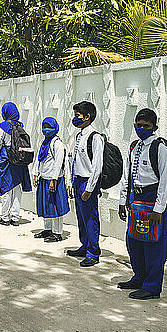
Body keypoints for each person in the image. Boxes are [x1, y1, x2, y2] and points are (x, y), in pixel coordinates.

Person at [117, 108, 167, 300]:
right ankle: (139, 277)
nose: (141, 128)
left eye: (146, 126)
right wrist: (123, 200)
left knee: (153, 244)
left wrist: (159, 209)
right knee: (134, 241)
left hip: (152, 198)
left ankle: (152, 286)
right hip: (135, 198)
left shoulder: (160, 148)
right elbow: (127, 175)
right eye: (138, 125)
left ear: (154, 127)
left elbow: (165, 180)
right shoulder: (134, 147)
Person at [67, 101, 104, 267]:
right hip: (77, 180)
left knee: (90, 217)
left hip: (88, 181)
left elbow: (97, 166)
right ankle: (85, 244)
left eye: (78, 116)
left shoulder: (95, 137)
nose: (75, 119)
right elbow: (74, 160)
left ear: (88, 117)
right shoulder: (79, 136)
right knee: (81, 217)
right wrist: (70, 182)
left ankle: (93, 252)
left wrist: (89, 188)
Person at [0, 102, 32, 226]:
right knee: (17, 189)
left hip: (7, 160)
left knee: (6, 189)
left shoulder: (3, 127)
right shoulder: (20, 126)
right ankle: (15, 217)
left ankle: (4, 217)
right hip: (19, 160)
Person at [33, 117, 69, 242]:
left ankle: (57, 232)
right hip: (44, 178)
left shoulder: (57, 144)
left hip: (54, 180)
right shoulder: (44, 143)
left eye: (49, 126)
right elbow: (39, 160)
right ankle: (47, 229)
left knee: (56, 206)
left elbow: (59, 163)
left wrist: (54, 180)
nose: (45, 129)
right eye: (44, 126)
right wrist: (35, 174)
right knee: (45, 205)